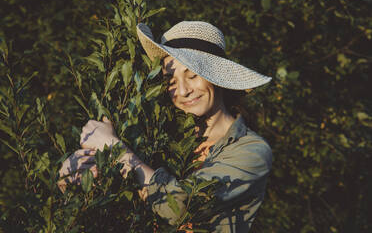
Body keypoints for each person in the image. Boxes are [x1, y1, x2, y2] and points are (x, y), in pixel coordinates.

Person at [58, 21, 273, 232]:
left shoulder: (252, 151)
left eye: (192, 75)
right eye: (170, 79)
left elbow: (180, 207)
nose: (182, 90)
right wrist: (74, 175)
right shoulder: (159, 137)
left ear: (216, 78)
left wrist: (114, 148)